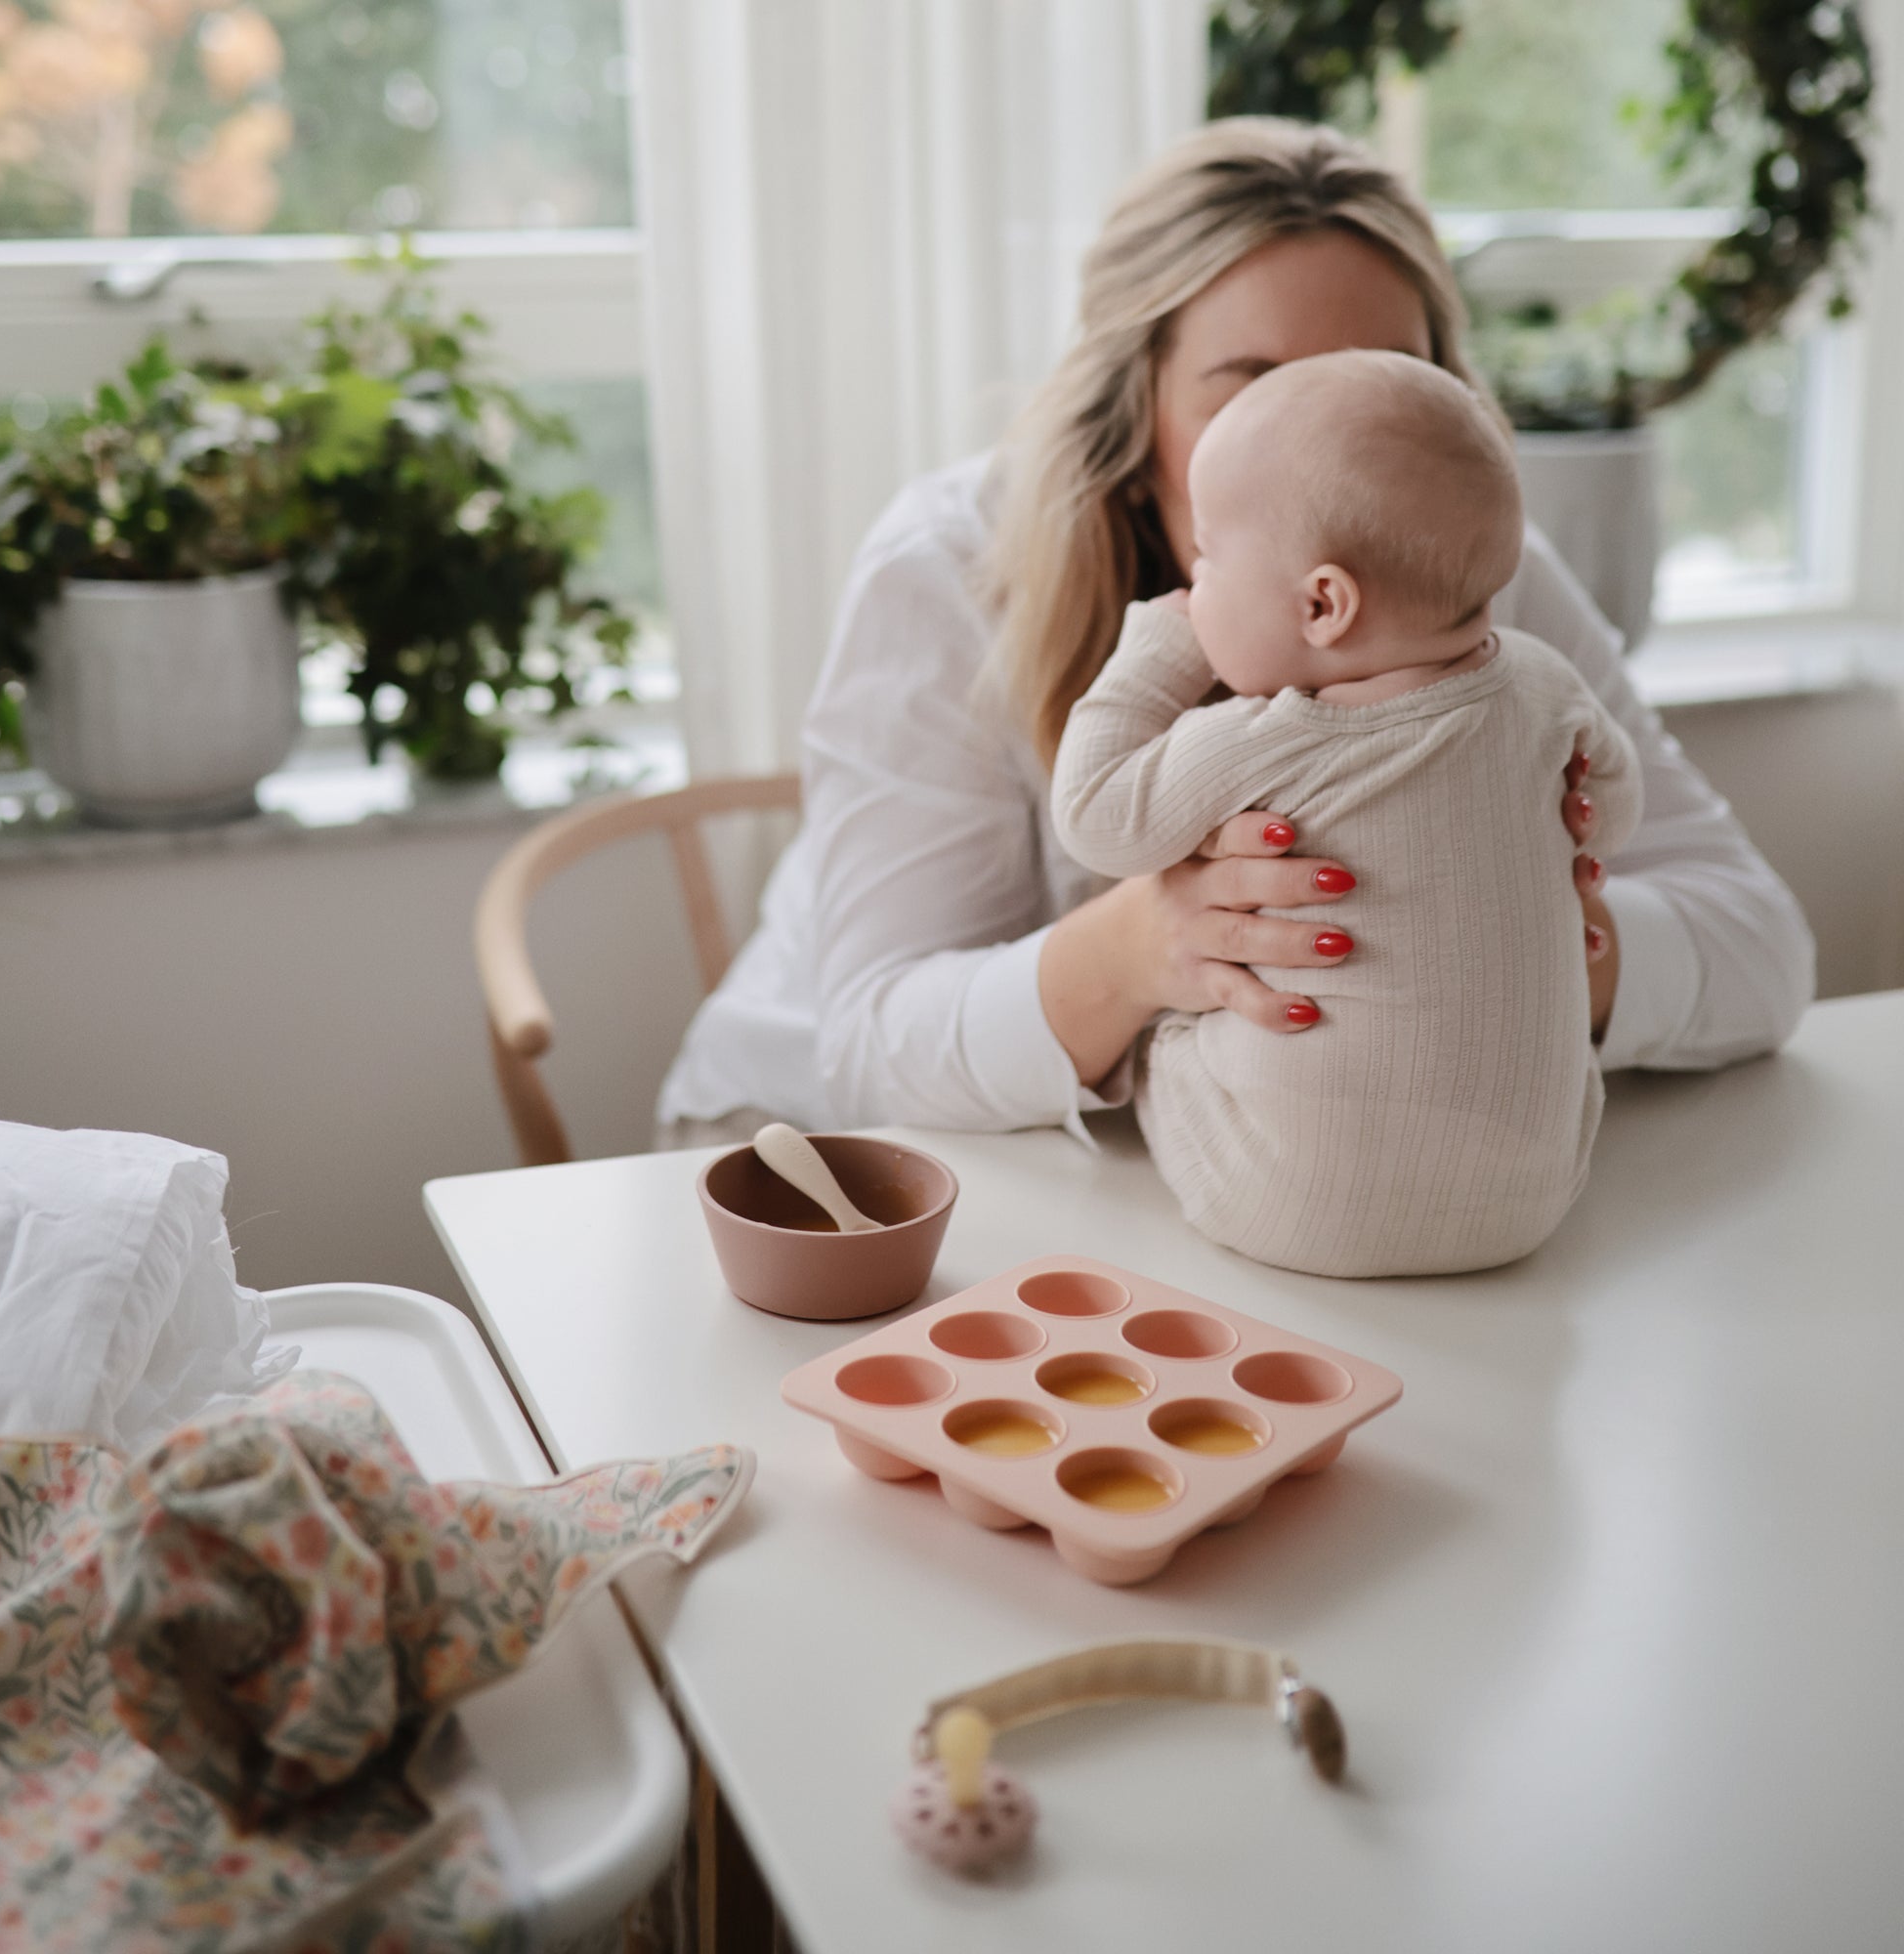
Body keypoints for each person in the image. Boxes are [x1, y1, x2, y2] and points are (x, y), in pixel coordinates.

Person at [656, 117, 1813, 1149]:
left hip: (1219, 1178)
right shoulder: (947, 568)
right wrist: (1144, 948)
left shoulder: (1448, 558)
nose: (1321, 456)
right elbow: (867, 1046)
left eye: (1372, 384)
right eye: (1246, 384)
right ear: (1135, 398)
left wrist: (1551, 935)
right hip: (801, 1155)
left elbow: (1762, 947)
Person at [1049, 349, 1640, 1275]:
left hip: (1284, 1205)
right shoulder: (1543, 685)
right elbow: (1615, 805)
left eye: (1208, 557)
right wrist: (1568, 835)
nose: (1192, 581)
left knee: (1170, 1037)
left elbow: (1093, 816)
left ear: (1323, 603)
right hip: (1532, 1202)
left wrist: (1155, 653)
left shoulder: (1267, 737)